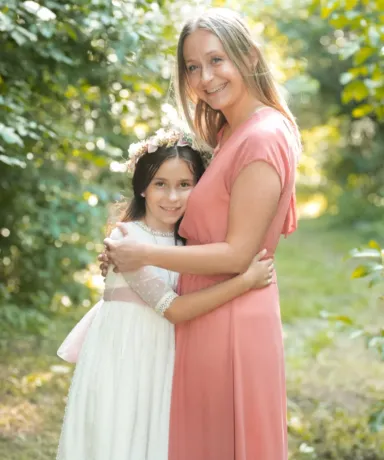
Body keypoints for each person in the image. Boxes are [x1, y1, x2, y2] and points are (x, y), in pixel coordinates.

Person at [101, 8, 300, 460]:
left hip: (231, 318)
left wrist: (144, 257)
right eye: (193, 67)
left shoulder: (263, 136)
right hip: (209, 313)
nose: (205, 77)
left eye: (216, 60)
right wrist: (132, 242)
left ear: (247, 56)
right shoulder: (232, 131)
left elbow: (237, 253)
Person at [56, 128, 273, 460]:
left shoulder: (189, 244)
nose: (173, 197)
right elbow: (173, 309)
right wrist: (246, 281)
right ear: (142, 187)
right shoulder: (127, 239)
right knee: (117, 436)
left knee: (153, 439)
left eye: (185, 185)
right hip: (124, 358)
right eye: (161, 184)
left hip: (164, 357)